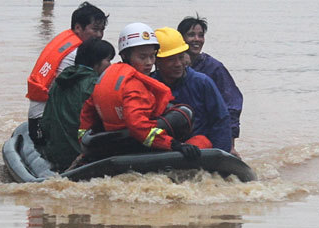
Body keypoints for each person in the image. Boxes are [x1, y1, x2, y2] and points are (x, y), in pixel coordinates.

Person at [78, 23, 202, 161]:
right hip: (133, 143)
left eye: (152, 56)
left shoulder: (107, 75)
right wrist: (174, 145)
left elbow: (87, 111)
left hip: (109, 140)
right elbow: (138, 126)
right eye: (142, 57)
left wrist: (83, 140)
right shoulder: (134, 86)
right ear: (126, 56)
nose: (149, 63)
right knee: (193, 128)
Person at [26, 2, 108, 143]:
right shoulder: (77, 54)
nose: (99, 35)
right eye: (95, 30)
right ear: (78, 27)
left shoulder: (65, 41)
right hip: (45, 123)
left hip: (38, 118)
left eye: (102, 30)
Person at [151, 27, 232, 153]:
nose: (178, 64)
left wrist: (221, 157)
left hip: (198, 148)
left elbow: (221, 121)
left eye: (181, 57)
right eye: (171, 59)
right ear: (157, 61)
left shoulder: (202, 82)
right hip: (166, 146)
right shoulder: (149, 85)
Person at [40, 38, 115, 172]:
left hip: (55, 153)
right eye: (108, 60)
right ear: (96, 62)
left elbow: (46, 121)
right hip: (80, 156)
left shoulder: (59, 81)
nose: (110, 65)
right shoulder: (96, 86)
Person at [177, 15, 243, 149]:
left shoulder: (214, 68)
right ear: (180, 39)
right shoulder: (170, 67)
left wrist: (230, 145)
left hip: (206, 136)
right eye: (191, 35)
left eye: (200, 35)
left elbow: (232, 106)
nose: (197, 39)